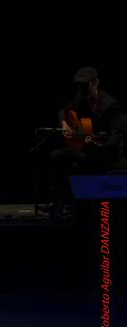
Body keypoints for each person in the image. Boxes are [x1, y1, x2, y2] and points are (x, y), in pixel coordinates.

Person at [48, 66, 124, 222]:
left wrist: (97, 143)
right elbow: (63, 110)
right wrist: (64, 124)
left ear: (95, 82)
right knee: (55, 156)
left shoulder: (110, 105)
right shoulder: (80, 98)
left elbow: (114, 138)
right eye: (78, 85)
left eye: (84, 85)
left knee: (71, 162)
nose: (81, 88)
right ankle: (59, 204)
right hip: (86, 150)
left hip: (105, 153)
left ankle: (69, 206)